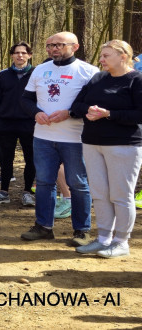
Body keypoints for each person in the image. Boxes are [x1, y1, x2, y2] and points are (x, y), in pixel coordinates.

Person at [18, 32, 98, 246]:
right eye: (49, 45)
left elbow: (93, 104)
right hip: (43, 137)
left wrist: (70, 113)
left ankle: (82, 231)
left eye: (59, 45)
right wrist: (35, 112)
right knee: (44, 182)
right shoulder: (40, 70)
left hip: (75, 138)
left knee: (78, 184)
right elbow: (25, 99)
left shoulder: (89, 71)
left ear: (75, 46)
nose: (54, 49)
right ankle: (44, 227)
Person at [71, 40, 142, 258]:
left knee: (120, 195)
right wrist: (89, 110)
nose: (100, 60)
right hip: (92, 143)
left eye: (106, 56)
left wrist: (108, 113)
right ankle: (103, 238)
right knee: (100, 193)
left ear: (123, 57)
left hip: (124, 145)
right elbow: (76, 106)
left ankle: (121, 242)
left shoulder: (136, 80)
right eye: (101, 55)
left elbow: (139, 115)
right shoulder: (98, 78)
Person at [0, 42, 37, 206]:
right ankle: (4, 192)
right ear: (12, 55)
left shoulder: (37, 73)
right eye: (16, 53)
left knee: (30, 158)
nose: (20, 56)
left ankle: (27, 192)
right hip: (6, 124)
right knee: (6, 158)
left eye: (23, 53)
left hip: (29, 124)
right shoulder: (3, 75)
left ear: (29, 55)